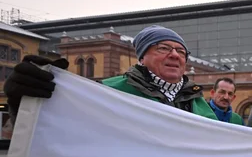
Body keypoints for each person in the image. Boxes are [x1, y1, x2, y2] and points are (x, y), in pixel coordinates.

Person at [3, 25, 217, 122]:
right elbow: (57, 130)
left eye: (180, 51)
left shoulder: (199, 102)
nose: (174, 55)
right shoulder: (109, 91)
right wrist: (22, 102)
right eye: (163, 48)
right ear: (142, 57)